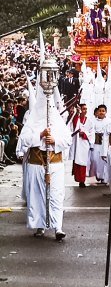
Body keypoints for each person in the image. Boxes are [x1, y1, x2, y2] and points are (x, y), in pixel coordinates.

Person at [19, 79, 72, 239]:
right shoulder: (32, 120)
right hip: (36, 163)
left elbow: (67, 139)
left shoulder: (57, 121)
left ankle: (57, 227)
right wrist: (39, 136)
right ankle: (40, 225)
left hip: (54, 162)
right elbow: (24, 139)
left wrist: (54, 140)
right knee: (37, 195)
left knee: (55, 195)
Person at [69, 104, 94, 187]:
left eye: (86, 109)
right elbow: (74, 124)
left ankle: (82, 180)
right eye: (83, 109)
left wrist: (84, 134)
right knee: (77, 161)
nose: (85, 111)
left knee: (83, 162)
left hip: (84, 143)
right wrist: (77, 113)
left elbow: (91, 133)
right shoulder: (77, 118)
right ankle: (78, 179)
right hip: (77, 143)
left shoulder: (89, 121)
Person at [89, 104, 110, 183]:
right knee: (95, 159)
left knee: (103, 160)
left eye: (103, 111)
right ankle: (97, 175)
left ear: (106, 112)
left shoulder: (108, 121)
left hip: (104, 143)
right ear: (97, 112)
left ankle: (103, 177)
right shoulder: (93, 121)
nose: (101, 112)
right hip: (96, 142)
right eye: (100, 111)